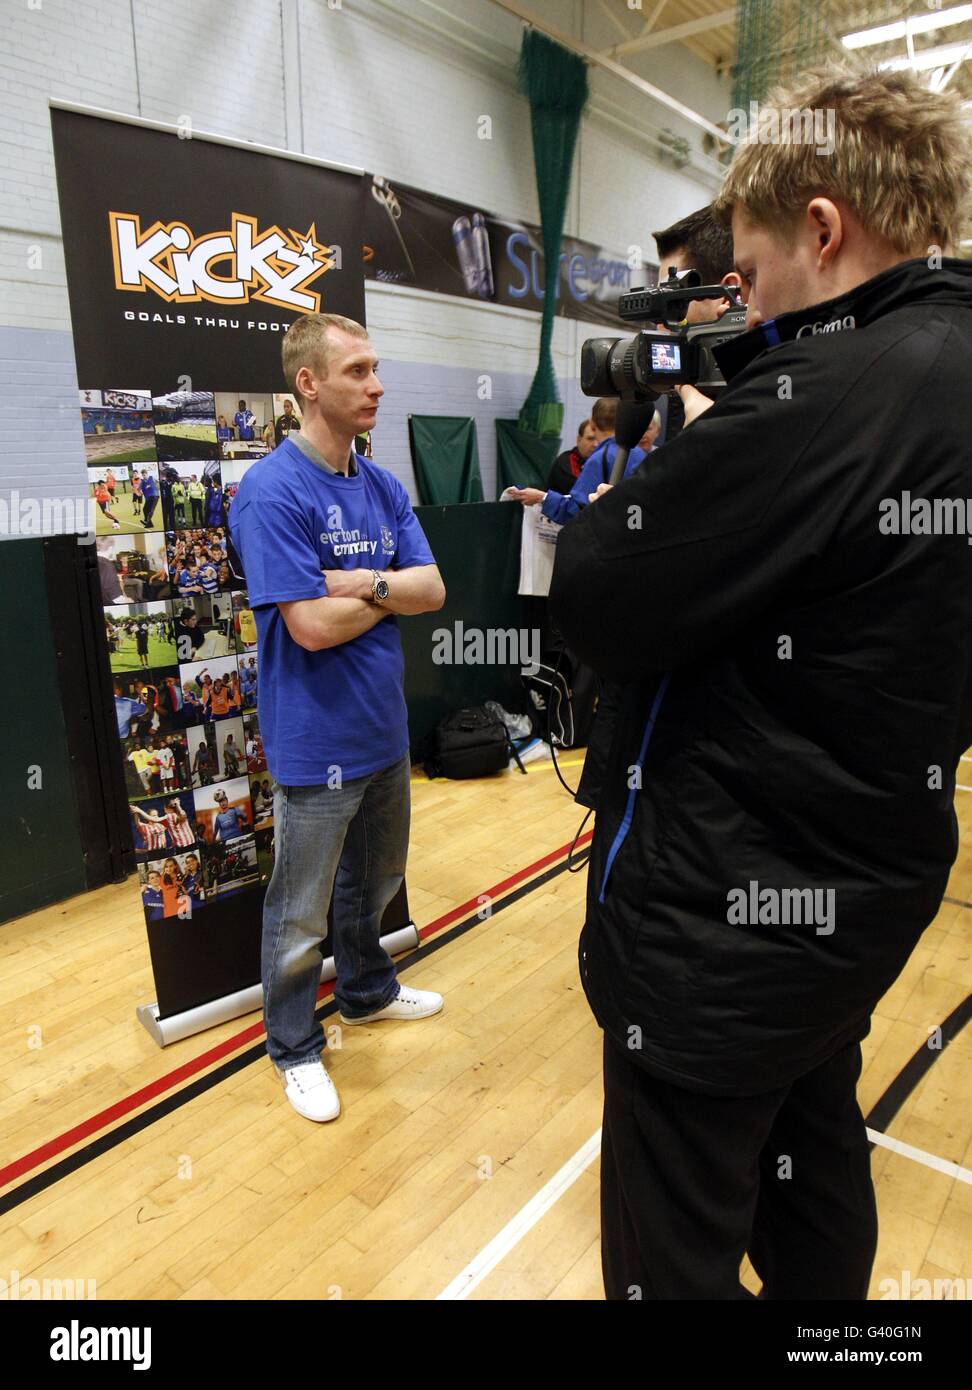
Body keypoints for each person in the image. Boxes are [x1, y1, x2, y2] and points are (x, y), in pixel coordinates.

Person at [549, 62, 972, 1301]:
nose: (746, 305)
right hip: (855, 900)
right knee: (815, 1176)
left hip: (717, 933)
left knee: (671, 1253)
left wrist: (692, 439)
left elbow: (594, 596)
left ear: (825, 227)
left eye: (751, 271)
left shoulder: (826, 396)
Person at [230, 311, 447, 1123]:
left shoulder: (382, 485)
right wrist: (391, 589)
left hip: (383, 734)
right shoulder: (271, 491)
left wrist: (359, 584)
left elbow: (434, 589)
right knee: (300, 913)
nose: (377, 384)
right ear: (309, 383)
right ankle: (292, 1046)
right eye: (357, 370)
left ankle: (364, 992)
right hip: (314, 741)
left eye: (376, 367)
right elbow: (309, 629)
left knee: (376, 886)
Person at [546, 418, 597, 495]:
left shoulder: (601, 461)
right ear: (579, 439)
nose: (595, 444)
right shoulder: (566, 462)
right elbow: (582, 491)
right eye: (590, 439)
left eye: (598, 440)